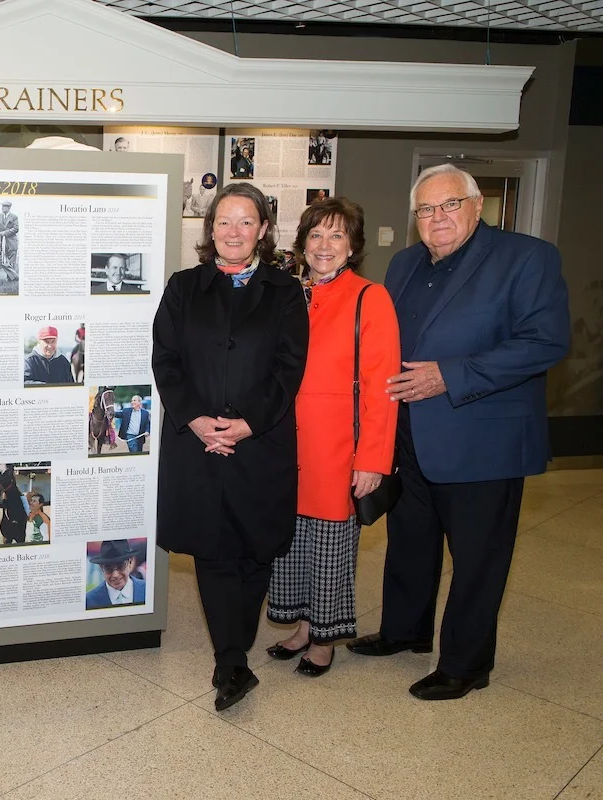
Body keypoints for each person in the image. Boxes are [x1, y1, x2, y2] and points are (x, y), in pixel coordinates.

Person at [347, 164, 570, 700]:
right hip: (409, 436)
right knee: (410, 543)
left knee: (477, 558)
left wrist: (450, 375)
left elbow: (545, 342)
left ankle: (467, 664)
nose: (436, 218)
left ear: (476, 205)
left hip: (481, 440)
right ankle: (405, 631)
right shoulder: (402, 264)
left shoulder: (527, 258)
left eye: (448, 205)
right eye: (425, 209)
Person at [153, 183, 308, 711]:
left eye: (246, 222)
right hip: (196, 445)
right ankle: (230, 663)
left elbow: (290, 370)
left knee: (256, 548)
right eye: (224, 222)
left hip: (260, 444)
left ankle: (233, 651)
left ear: (263, 230)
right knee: (214, 551)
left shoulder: (286, 292)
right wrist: (197, 420)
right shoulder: (183, 287)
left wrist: (244, 425)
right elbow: (166, 361)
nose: (234, 232)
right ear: (210, 229)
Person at [265, 198, 399, 677]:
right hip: (287, 446)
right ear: (301, 244)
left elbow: (382, 388)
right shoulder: (288, 294)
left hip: (337, 449)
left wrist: (373, 459)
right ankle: (302, 627)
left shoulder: (370, 298)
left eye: (336, 236)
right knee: (292, 542)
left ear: (353, 246)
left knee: (329, 547)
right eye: (316, 235)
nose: (324, 246)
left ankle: (324, 639)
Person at [85, 540, 147, 610]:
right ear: (101, 567)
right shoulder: (89, 600)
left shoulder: (147, 590)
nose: (115, 575)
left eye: (121, 566)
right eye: (108, 569)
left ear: (130, 562)